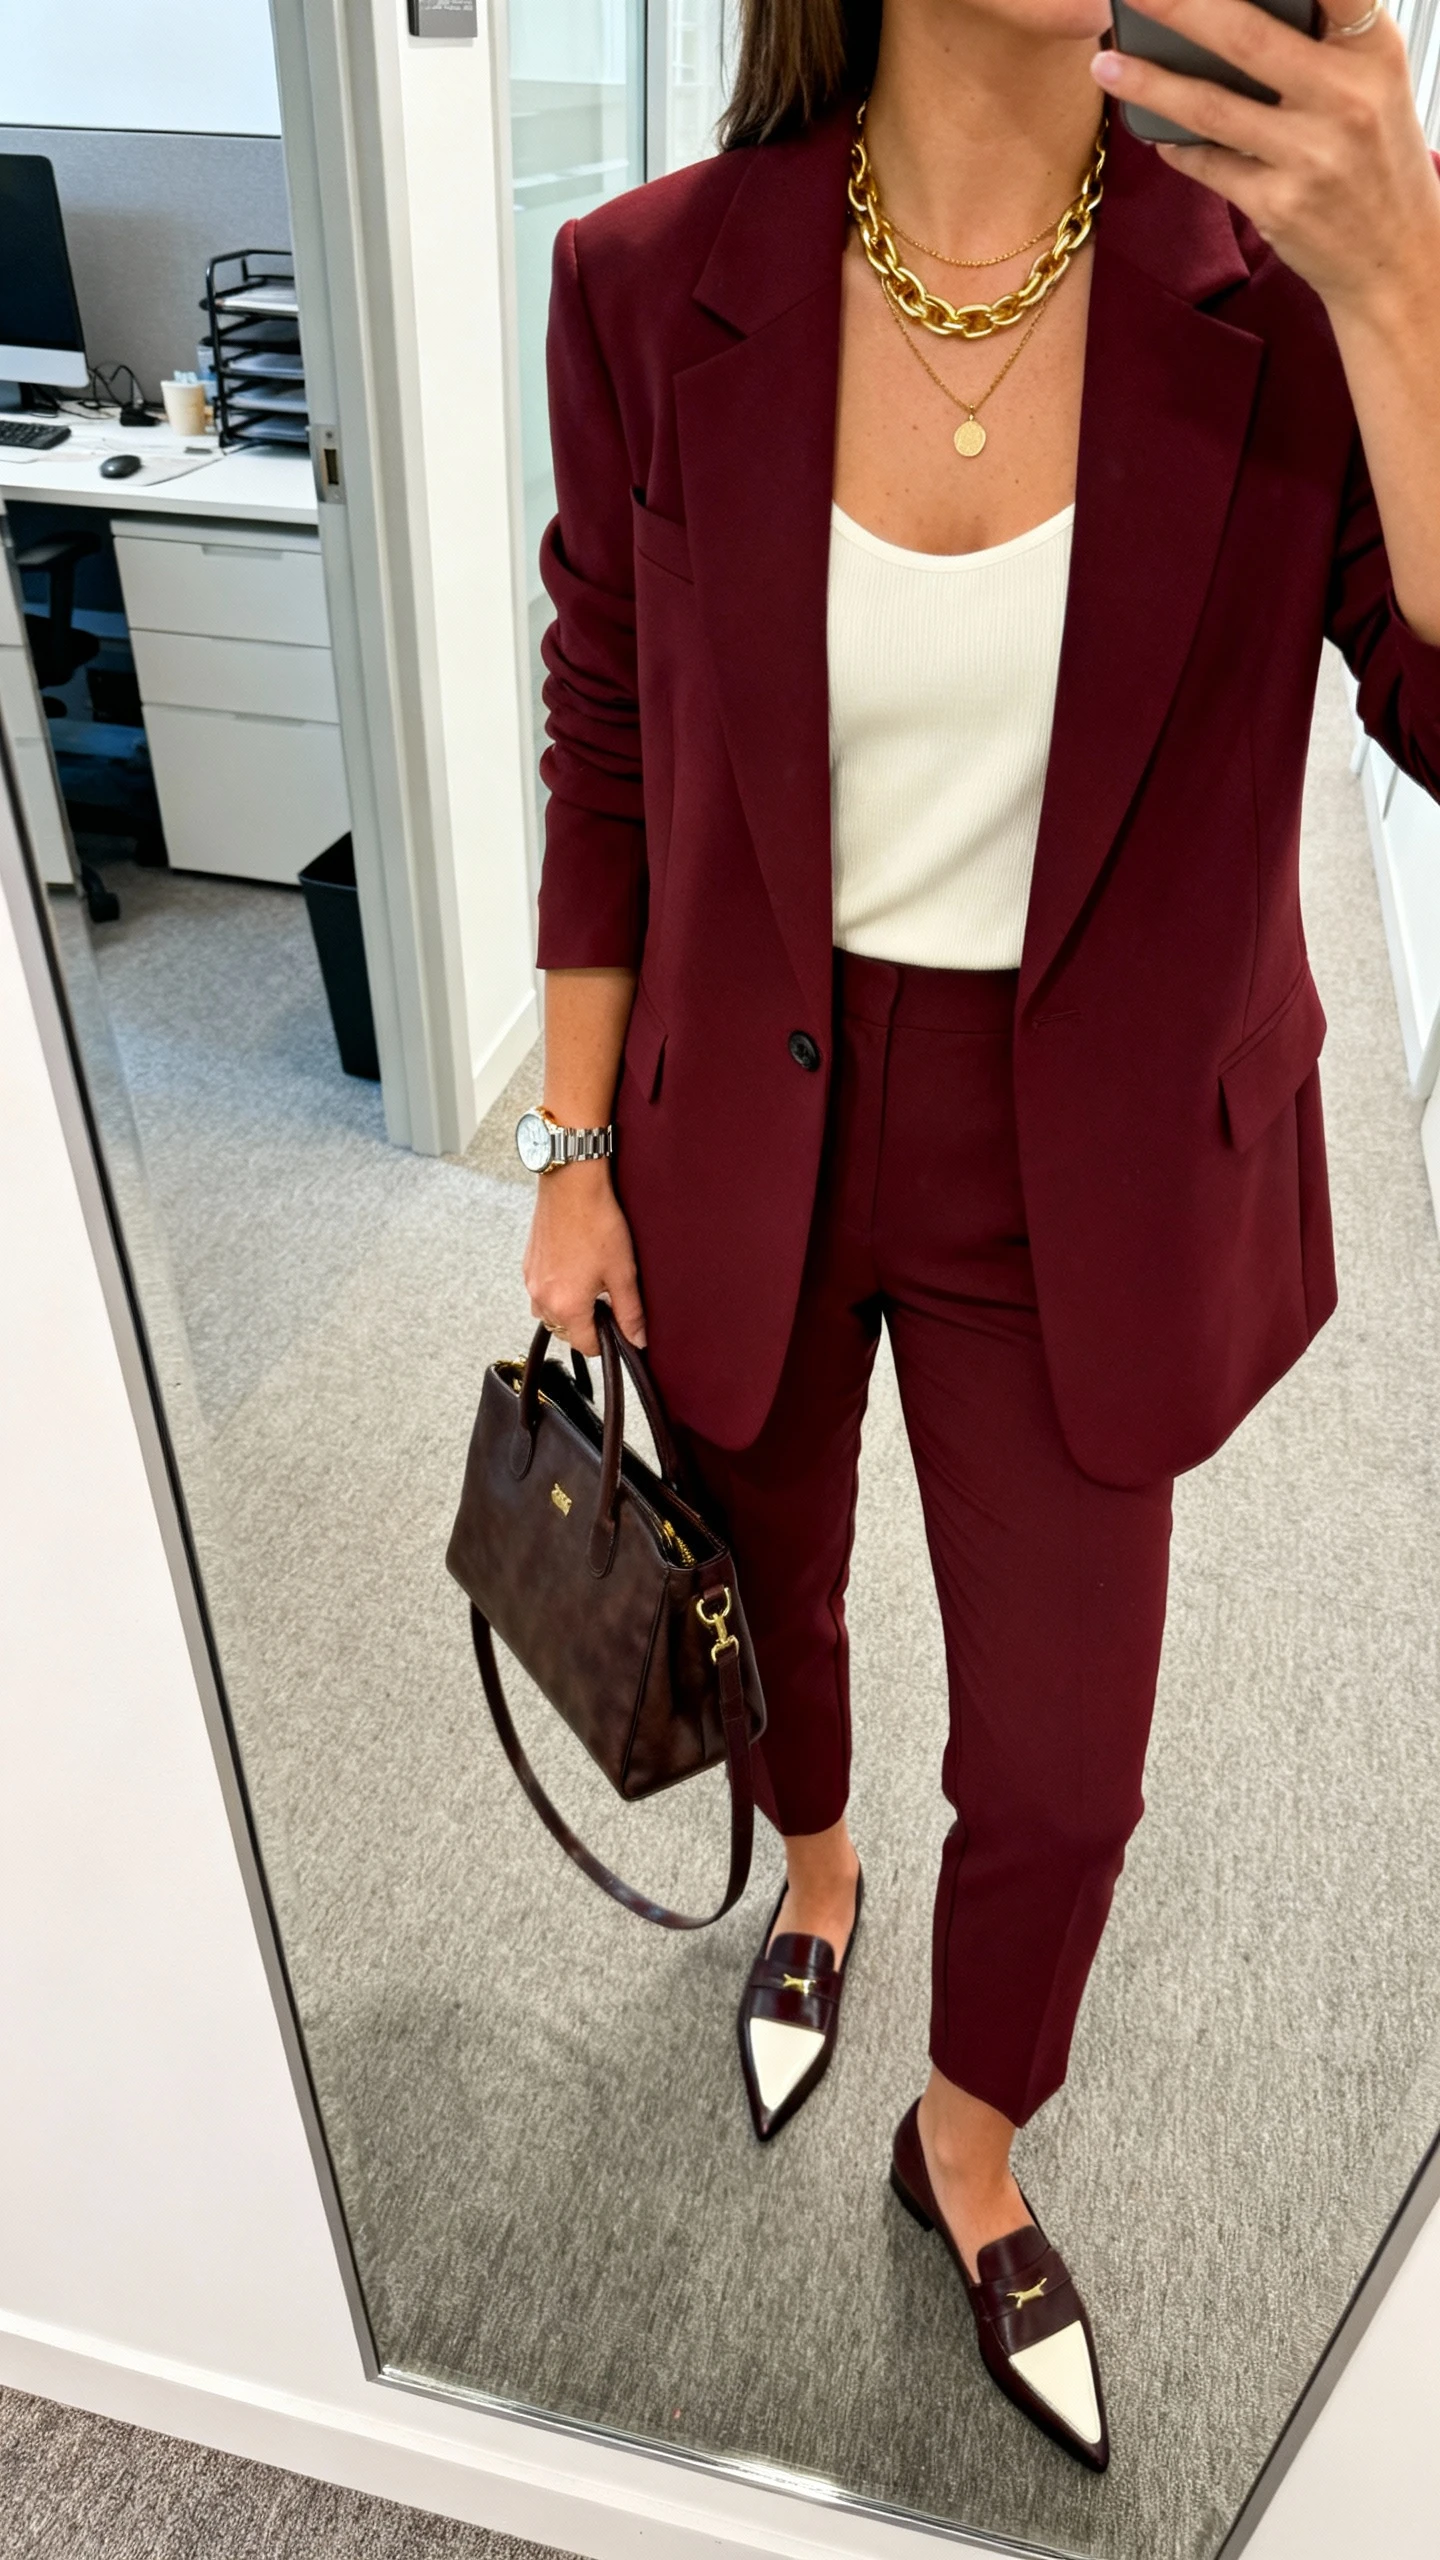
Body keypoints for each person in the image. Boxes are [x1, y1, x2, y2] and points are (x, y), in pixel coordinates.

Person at [516, 0, 1440, 2469]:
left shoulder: (1286, 295)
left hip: (1090, 1165)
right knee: (768, 1590)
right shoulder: (644, 281)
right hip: (746, 1113)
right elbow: (603, 723)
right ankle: (814, 1877)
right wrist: (569, 1149)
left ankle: (970, 2135)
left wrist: (1405, 280)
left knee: (1064, 1759)